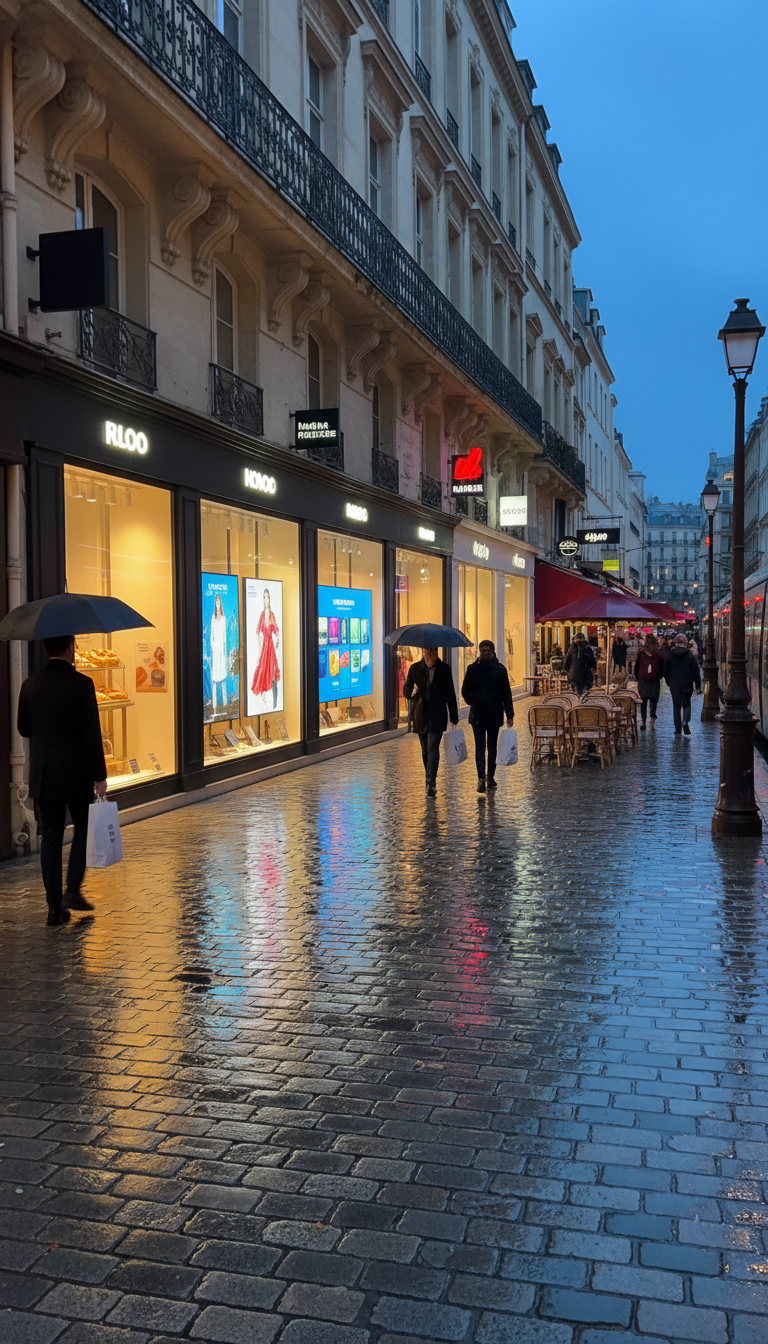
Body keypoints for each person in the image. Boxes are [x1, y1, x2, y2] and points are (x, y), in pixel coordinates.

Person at [17, 635, 108, 926]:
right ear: (69, 647)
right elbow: (92, 734)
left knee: (51, 837)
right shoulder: (82, 684)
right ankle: (72, 890)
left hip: (44, 774)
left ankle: (54, 908)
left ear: (45, 648)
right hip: (77, 772)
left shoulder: (29, 685)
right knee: (82, 827)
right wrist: (99, 776)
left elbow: (23, 728)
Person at [403, 647, 459, 797]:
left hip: (437, 713)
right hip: (421, 714)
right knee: (425, 750)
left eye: (429, 650)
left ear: (435, 652)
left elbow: (450, 693)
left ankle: (431, 781)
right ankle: (429, 776)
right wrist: (412, 692)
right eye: (425, 650)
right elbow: (406, 689)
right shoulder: (415, 669)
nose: (426, 653)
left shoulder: (444, 669)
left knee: (433, 746)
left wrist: (454, 715)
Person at [461, 640, 514, 793]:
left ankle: (490, 777)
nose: (484, 653)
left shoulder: (499, 669)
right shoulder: (472, 669)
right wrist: (474, 701)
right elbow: (465, 690)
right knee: (480, 747)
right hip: (478, 714)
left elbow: (506, 693)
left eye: (487, 650)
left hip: (494, 713)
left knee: (491, 747)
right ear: (479, 651)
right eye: (482, 650)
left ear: (493, 651)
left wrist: (509, 714)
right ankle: (481, 778)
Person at [664, 632, 702, 735]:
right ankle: (685, 721)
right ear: (685, 643)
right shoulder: (690, 656)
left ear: (675, 643)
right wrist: (698, 685)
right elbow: (696, 672)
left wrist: (669, 682)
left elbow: (666, 671)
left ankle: (677, 728)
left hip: (674, 684)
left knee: (676, 706)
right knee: (686, 704)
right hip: (687, 684)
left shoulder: (670, 655)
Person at [251, 587, 281, 709]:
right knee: (263, 670)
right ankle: (263, 692)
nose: (266, 600)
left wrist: (278, 638)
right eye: (264, 597)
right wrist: (259, 649)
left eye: (267, 597)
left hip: (271, 648)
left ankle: (275, 703)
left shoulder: (272, 615)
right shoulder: (262, 615)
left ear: (270, 599)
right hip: (264, 647)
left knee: (273, 673)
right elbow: (257, 631)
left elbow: (276, 630)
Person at [634, 632, 663, 729]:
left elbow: (636, 667)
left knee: (643, 702)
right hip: (654, 681)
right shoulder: (658, 654)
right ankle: (652, 723)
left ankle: (643, 722)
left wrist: (638, 677)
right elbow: (662, 668)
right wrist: (658, 676)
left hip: (643, 681)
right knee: (653, 702)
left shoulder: (641, 653)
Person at [210, 592, 228, 713]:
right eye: (216, 602)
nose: (217, 604)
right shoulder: (213, 617)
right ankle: (215, 705)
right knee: (214, 678)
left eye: (218, 602)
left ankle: (225, 704)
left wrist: (224, 651)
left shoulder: (223, 618)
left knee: (222, 676)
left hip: (221, 650)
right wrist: (212, 646)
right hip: (215, 649)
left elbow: (224, 636)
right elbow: (212, 634)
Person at [564, 632, 597, 697]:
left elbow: (567, 661)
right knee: (582, 694)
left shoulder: (572, 648)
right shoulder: (585, 648)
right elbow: (592, 661)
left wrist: (567, 670)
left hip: (578, 675)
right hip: (582, 675)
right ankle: (580, 704)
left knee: (577, 694)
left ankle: (578, 704)